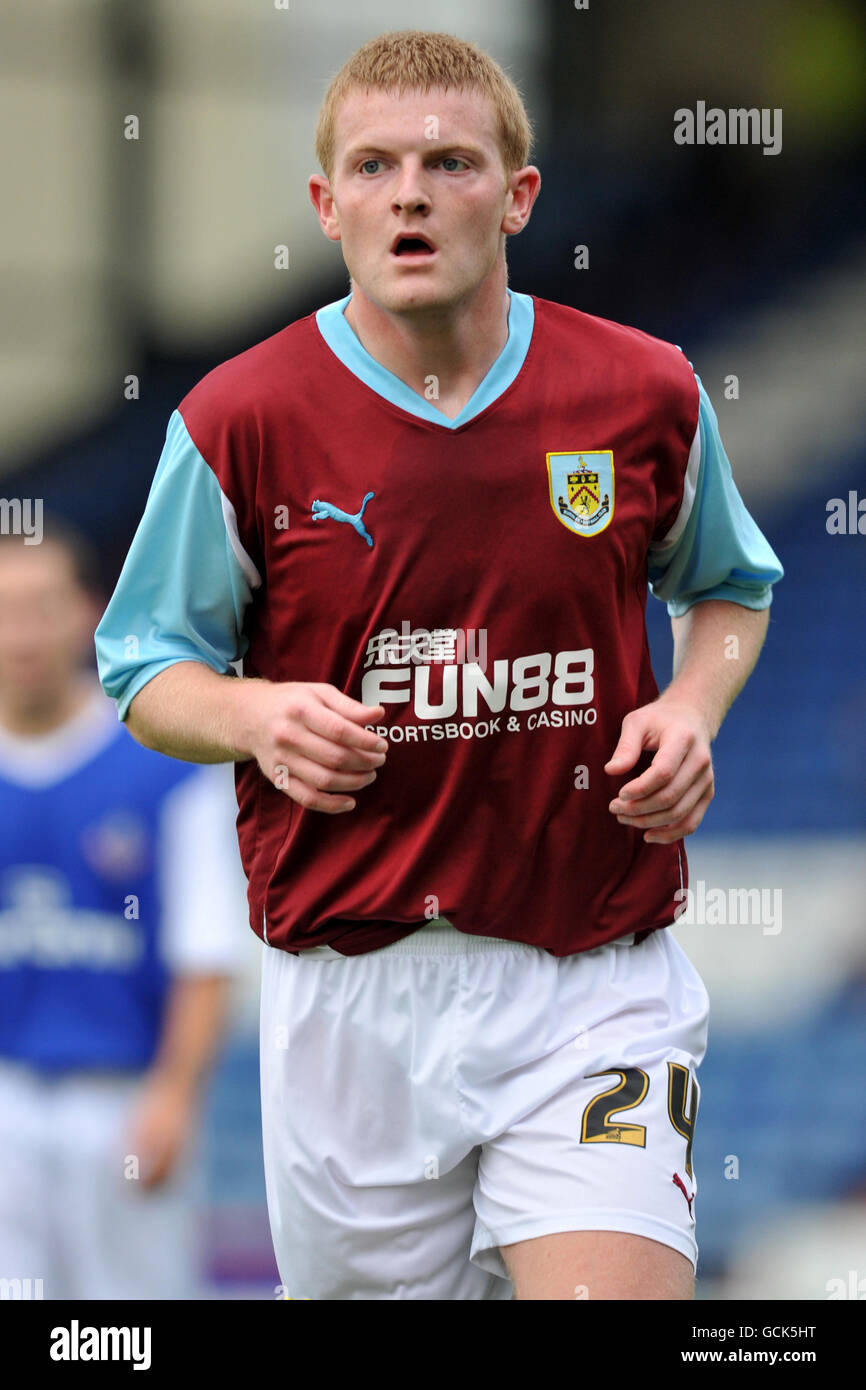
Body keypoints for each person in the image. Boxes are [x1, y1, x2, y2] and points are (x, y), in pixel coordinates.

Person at [94, 29, 783, 1300]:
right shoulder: (239, 421)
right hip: (349, 1006)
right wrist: (253, 713)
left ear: (518, 196)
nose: (408, 191)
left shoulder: (640, 393)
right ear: (328, 201)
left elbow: (730, 587)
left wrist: (691, 703)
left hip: (592, 980)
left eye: (449, 162)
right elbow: (144, 676)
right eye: (373, 165)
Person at [0, 517, 248, 1299]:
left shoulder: (163, 766)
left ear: (88, 613)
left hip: (124, 1103)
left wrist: (174, 1096)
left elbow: (206, 954)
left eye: (41, 607)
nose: (22, 635)